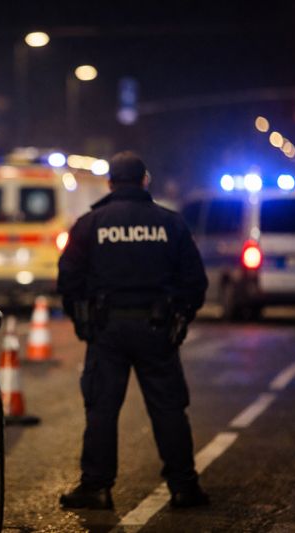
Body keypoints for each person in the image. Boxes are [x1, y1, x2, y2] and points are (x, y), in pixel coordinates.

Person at [57, 151, 209, 510]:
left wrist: (82, 322)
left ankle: (96, 487)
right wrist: (181, 317)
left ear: (110, 183)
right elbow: (194, 281)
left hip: (106, 329)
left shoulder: (90, 224)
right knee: (169, 408)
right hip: (157, 328)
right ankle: (184, 487)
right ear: (145, 181)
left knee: (101, 409)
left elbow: (68, 280)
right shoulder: (170, 223)